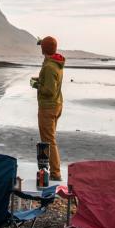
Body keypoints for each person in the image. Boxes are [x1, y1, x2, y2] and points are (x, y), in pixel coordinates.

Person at [32, 36, 65, 181]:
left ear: (45, 48)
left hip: (48, 107)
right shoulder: (53, 63)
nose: (40, 48)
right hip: (55, 105)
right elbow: (52, 84)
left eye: (42, 46)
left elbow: (50, 90)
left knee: (49, 141)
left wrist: (36, 85)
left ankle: (54, 173)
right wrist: (40, 81)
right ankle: (47, 171)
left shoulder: (50, 67)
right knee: (49, 139)